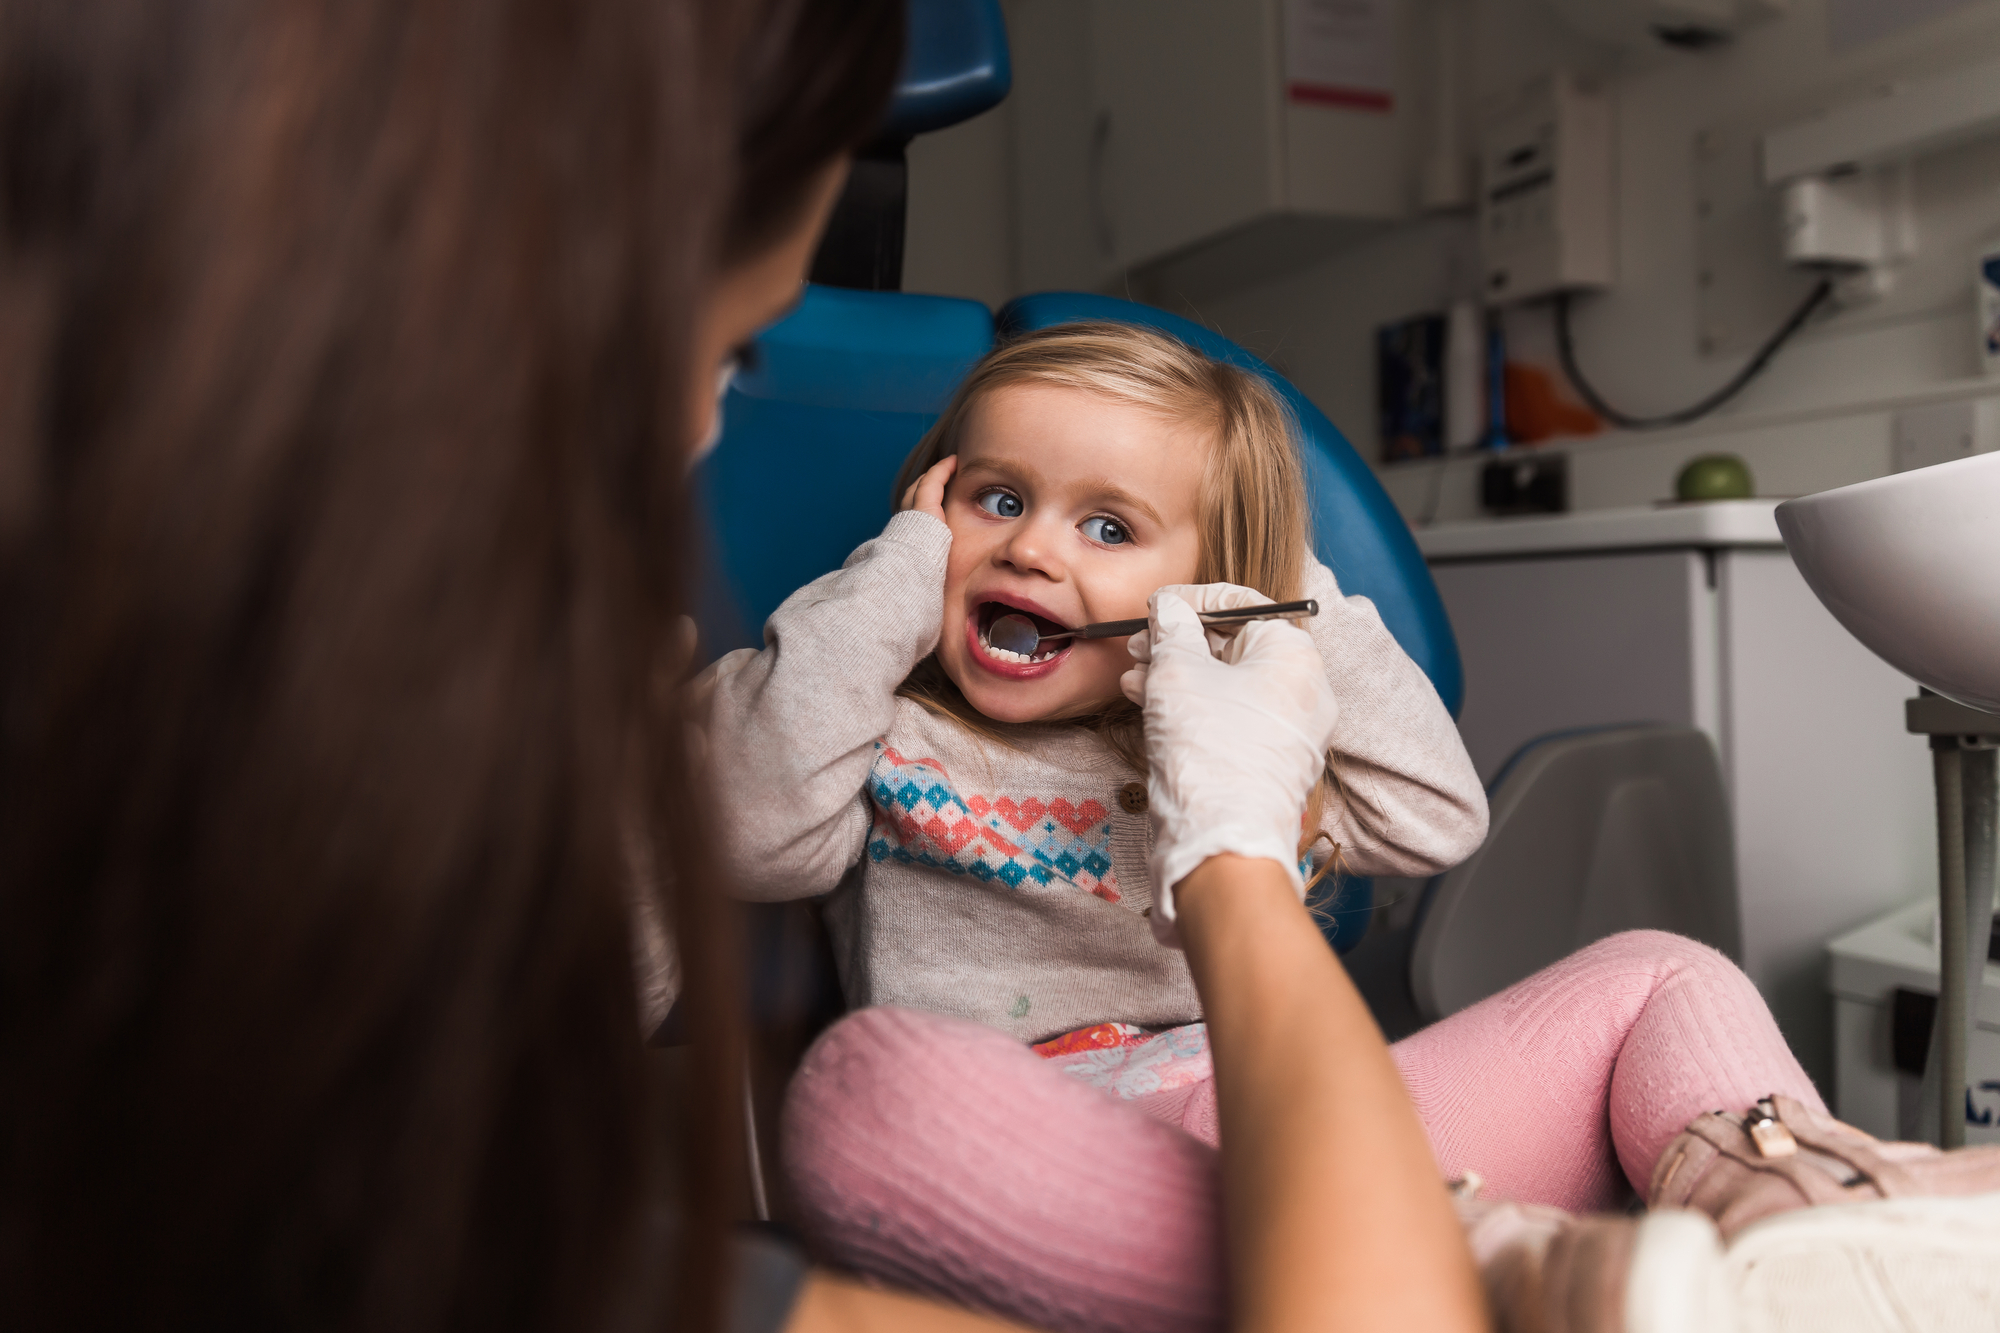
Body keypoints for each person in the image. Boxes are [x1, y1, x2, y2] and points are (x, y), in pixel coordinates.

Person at [698, 322, 1486, 1045]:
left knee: (1615, 986)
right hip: (971, 1120)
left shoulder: (1222, 752)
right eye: (997, 500)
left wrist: (1278, 589)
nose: (1029, 548)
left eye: (1109, 528)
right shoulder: (871, 737)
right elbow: (753, 842)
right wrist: (896, 571)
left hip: (1213, 1116)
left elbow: (1436, 817)